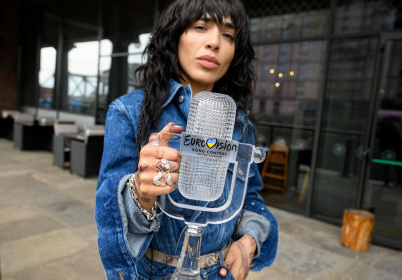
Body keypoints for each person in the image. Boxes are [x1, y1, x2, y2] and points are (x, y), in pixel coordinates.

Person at [95, 0, 279, 279]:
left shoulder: (241, 126)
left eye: (228, 35)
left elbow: (251, 198)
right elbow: (110, 214)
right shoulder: (130, 112)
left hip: (220, 273)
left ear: (235, 53)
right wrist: (140, 190)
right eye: (200, 27)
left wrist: (248, 243)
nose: (214, 42)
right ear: (175, 37)